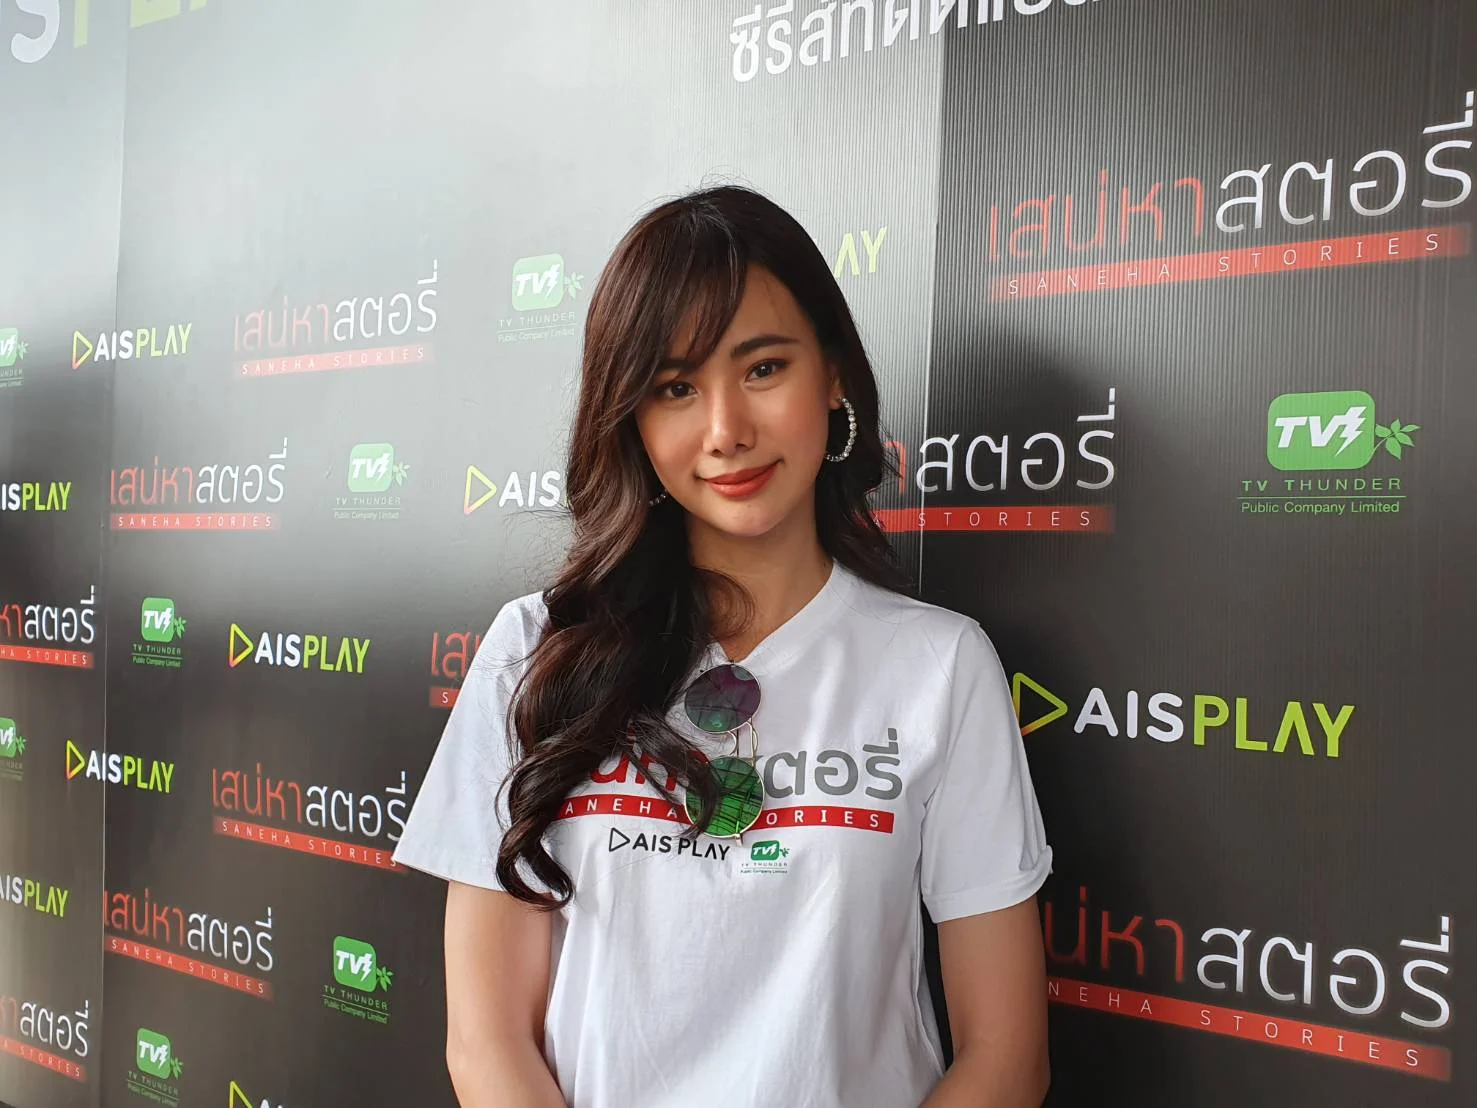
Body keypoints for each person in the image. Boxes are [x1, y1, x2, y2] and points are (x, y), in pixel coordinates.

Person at [392, 184, 1053, 1108]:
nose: (724, 432)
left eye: (763, 368)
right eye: (675, 388)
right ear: (632, 418)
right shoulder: (536, 650)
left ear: (833, 374)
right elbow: (487, 1042)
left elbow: (1006, 1060)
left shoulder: (939, 667)